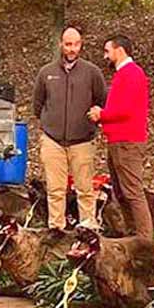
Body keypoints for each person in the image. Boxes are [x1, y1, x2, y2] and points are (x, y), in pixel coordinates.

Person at [33, 26, 107, 230]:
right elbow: (37, 105)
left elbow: (102, 102)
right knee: (55, 190)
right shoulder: (46, 73)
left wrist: (91, 123)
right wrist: (49, 124)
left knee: (85, 189)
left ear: (81, 45)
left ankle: (88, 230)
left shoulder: (92, 72)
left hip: (82, 140)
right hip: (53, 140)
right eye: (68, 44)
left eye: (76, 44)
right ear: (61, 45)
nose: (72, 48)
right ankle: (56, 231)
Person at [88, 35, 153, 239]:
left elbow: (126, 109)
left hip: (128, 142)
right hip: (117, 140)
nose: (105, 56)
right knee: (122, 193)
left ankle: (144, 240)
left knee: (132, 192)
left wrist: (101, 114)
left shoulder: (132, 74)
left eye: (108, 51)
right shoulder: (122, 75)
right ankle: (133, 235)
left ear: (120, 50)